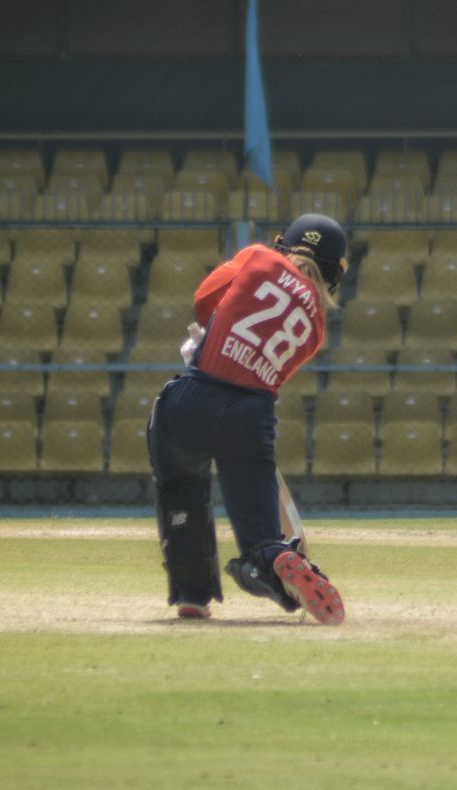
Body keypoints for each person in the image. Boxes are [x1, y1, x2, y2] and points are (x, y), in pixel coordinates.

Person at [148, 213, 349, 624]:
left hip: (194, 397)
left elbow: (205, 299)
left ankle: (192, 593)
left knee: (181, 485)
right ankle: (274, 560)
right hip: (251, 419)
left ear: (285, 244)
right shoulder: (316, 327)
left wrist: (217, 329)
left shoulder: (258, 256)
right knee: (262, 538)